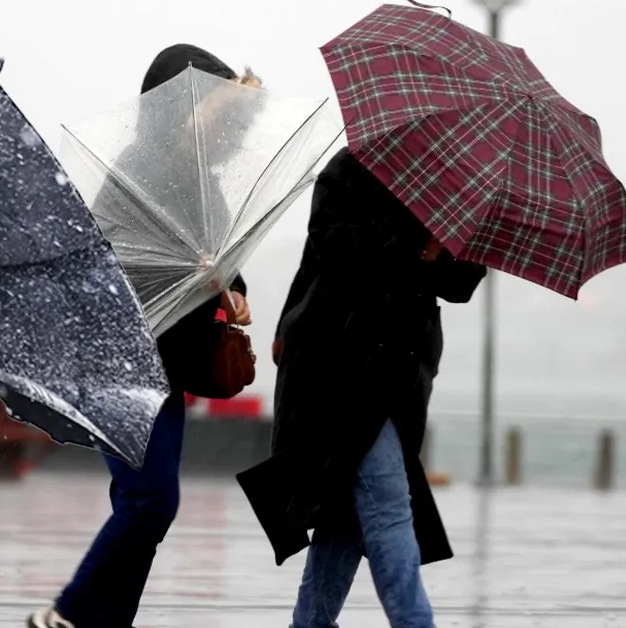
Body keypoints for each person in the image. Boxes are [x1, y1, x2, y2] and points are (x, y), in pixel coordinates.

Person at [28, 44, 254, 628]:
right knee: (152, 503)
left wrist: (234, 286)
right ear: (180, 102)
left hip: (164, 366)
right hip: (120, 357)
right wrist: (198, 270)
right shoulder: (143, 169)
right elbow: (117, 262)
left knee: (143, 507)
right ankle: (64, 616)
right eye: (209, 104)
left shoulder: (202, 179)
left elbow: (218, 255)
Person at [238, 148, 487, 628]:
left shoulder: (458, 187)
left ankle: (309, 623)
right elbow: (330, 244)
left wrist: (444, 252)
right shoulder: (354, 165)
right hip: (340, 362)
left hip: (403, 369)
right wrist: (416, 246)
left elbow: (460, 284)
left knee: (344, 513)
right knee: (389, 504)